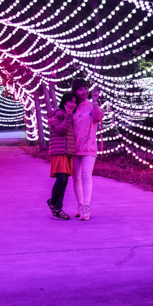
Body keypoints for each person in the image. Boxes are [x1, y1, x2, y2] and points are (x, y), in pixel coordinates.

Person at [70, 78, 103, 221]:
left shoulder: (91, 105)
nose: (84, 91)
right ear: (75, 92)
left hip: (89, 146)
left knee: (86, 175)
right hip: (73, 147)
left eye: (86, 88)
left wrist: (95, 100)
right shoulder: (72, 106)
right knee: (75, 177)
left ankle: (86, 206)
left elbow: (98, 117)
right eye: (80, 89)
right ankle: (79, 205)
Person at [46, 92, 76, 220]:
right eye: (70, 102)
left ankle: (58, 209)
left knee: (64, 183)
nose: (73, 105)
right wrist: (68, 117)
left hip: (67, 152)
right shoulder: (59, 114)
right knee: (61, 180)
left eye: (74, 102)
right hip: (59, 152)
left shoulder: (68, 115)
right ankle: (52, 203)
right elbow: (61, 131)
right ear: (64, 102)